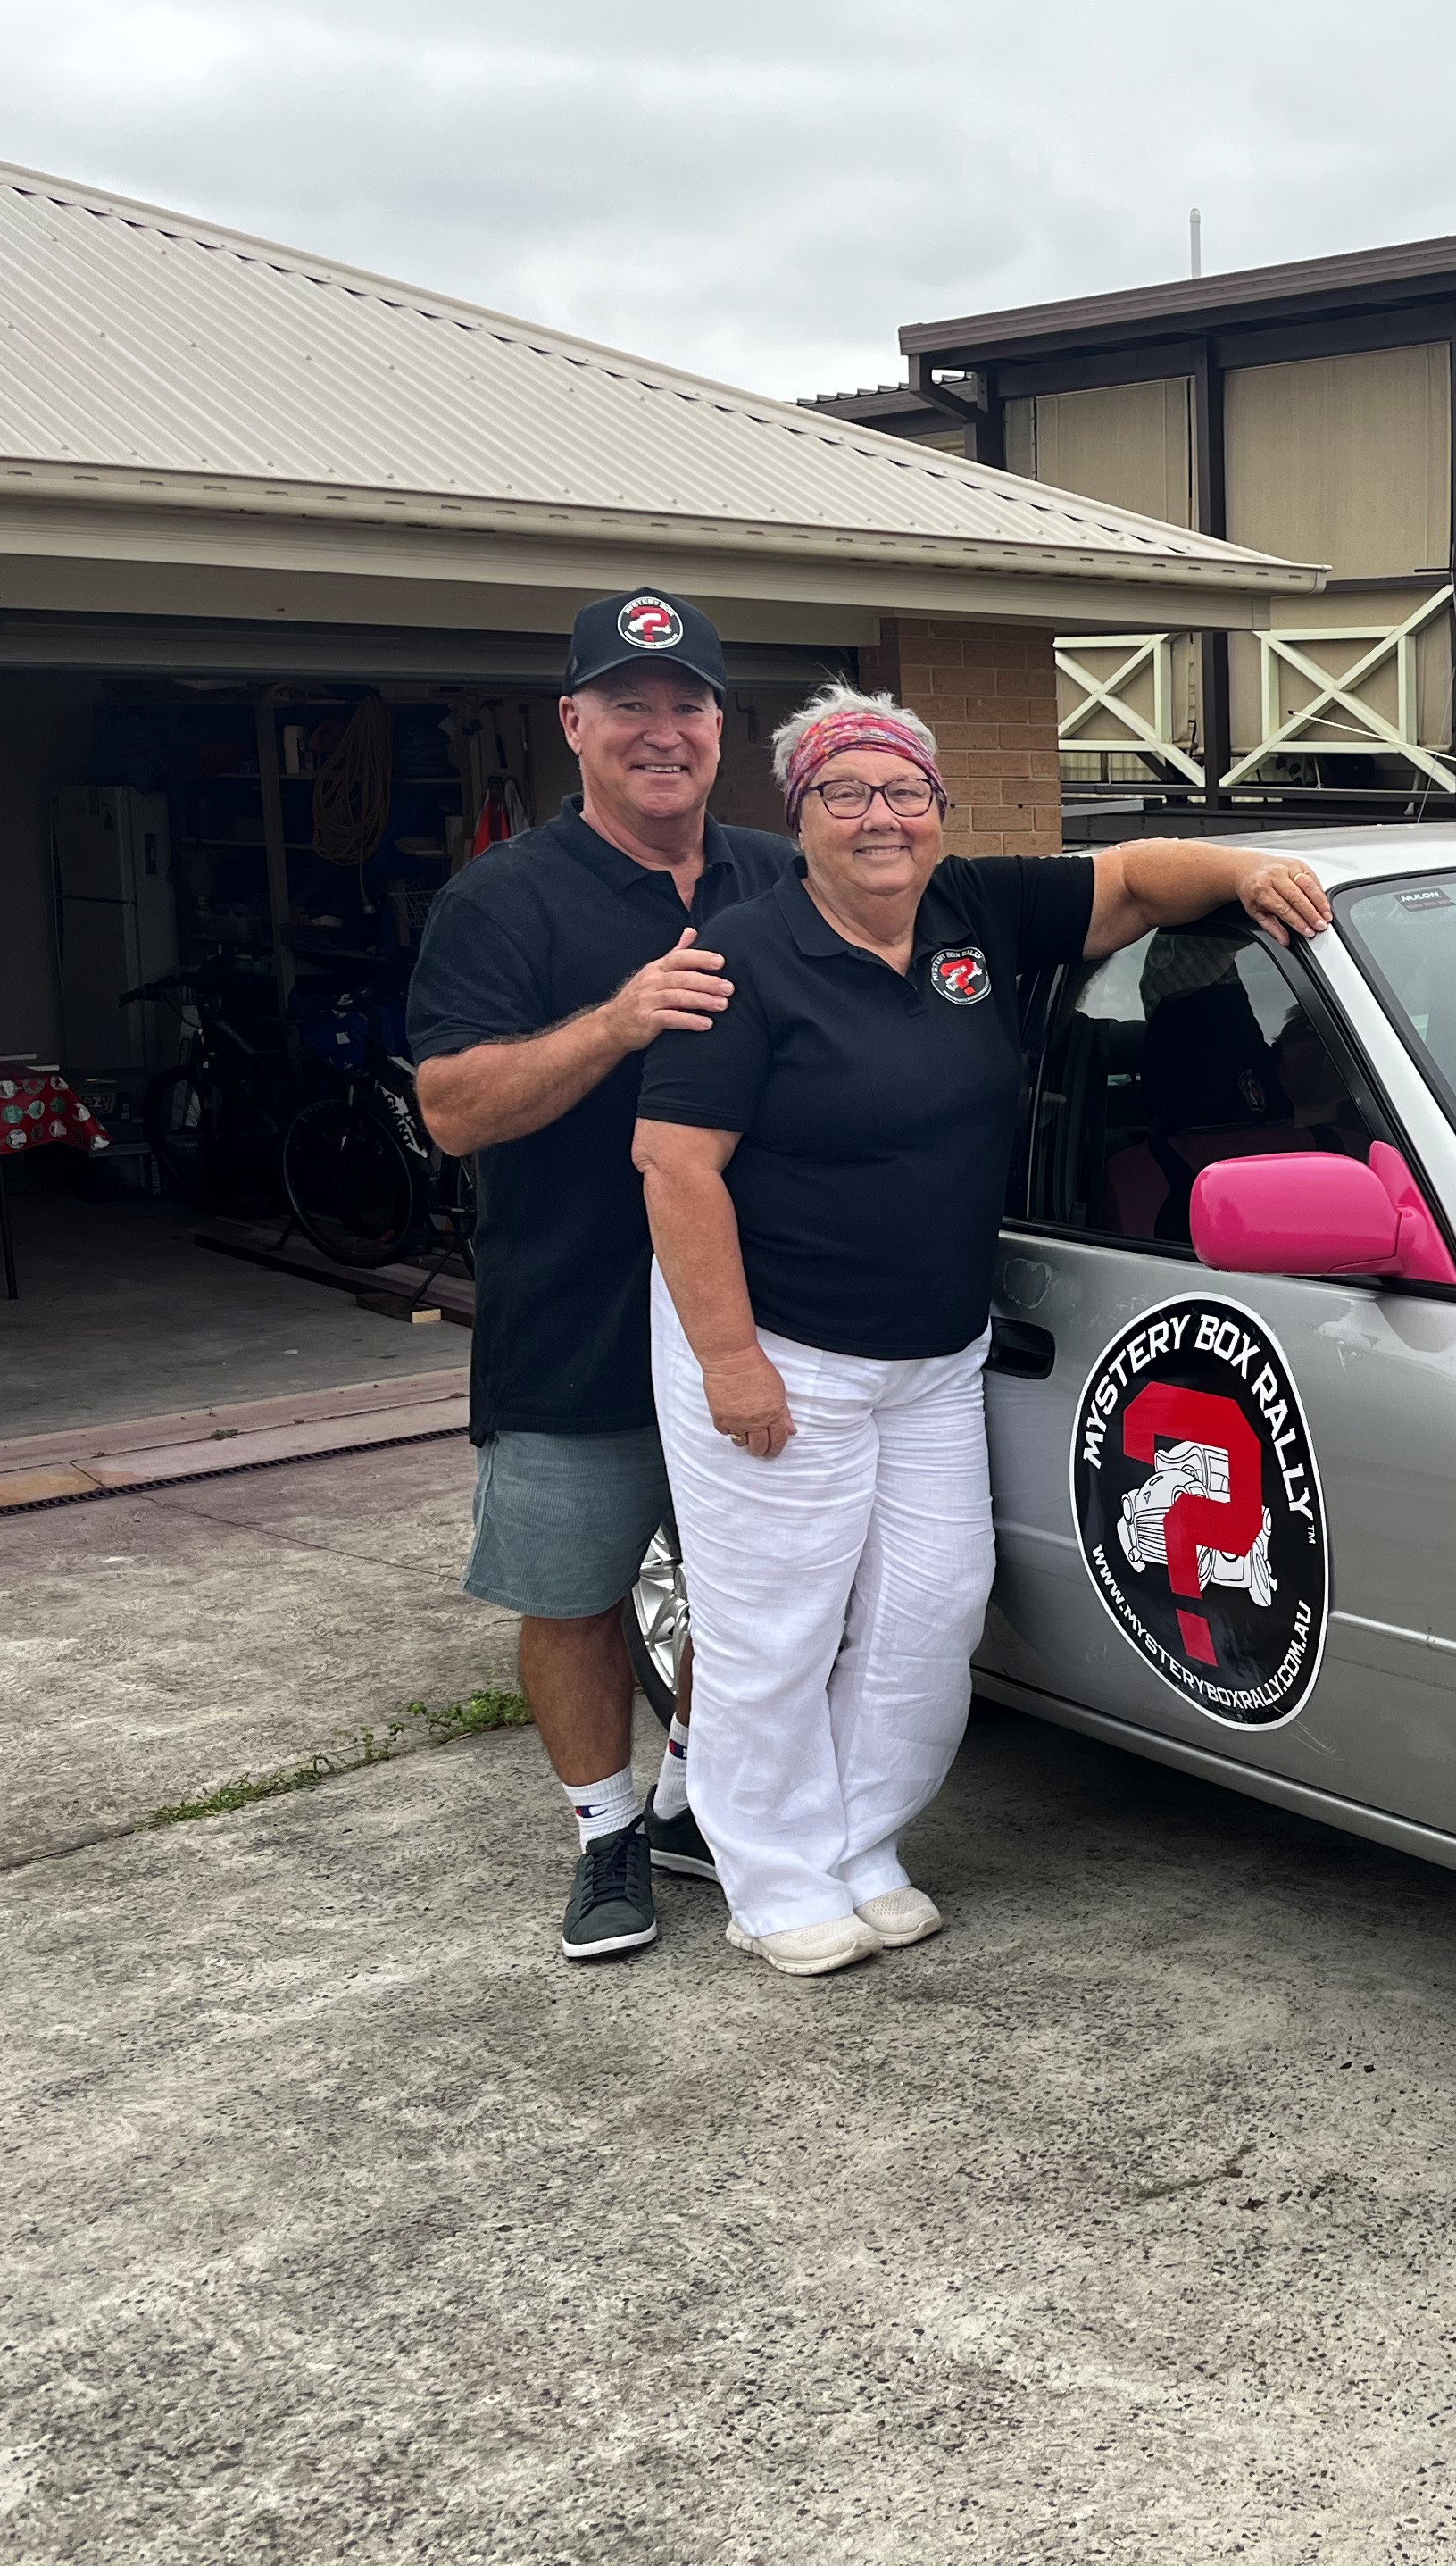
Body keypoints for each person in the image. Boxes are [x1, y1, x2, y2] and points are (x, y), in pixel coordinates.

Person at [630, 687, 1331, 1977]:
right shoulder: (742, 959)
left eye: (904, 792)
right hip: (779, 1348)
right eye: (846, 795)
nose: (880, 818)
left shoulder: (977, 911)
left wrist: (1244, 866)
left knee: (932, 1607)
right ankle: (772, 1874)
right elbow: (675, 1166)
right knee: (775, 1626)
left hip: (936, 1354)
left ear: (940, 812)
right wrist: (732, 1360)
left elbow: (1134, 880)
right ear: (803, 819)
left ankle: (861, 1842)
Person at [412, 589, 795, 1963]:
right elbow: (453, 1107)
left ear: (719, 725)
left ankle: (696, 1798)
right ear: (572, 723)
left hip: (762, 1321)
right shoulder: (504, 896)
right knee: (572, 1592)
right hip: (575, 1315)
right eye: (626, 703)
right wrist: (619, 1019)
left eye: (685, 702)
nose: (660, 729)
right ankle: (606, 1833)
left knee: (746, 1586)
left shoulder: (775, 874)